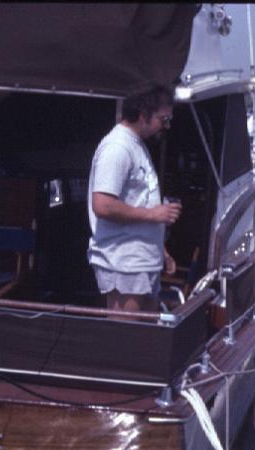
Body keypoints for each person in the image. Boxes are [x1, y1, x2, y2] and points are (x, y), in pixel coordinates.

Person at [87, 85, 182, 315]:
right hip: (124, 263)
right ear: (142, 115)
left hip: (142, 261)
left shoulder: (136, 145)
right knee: (126, 339)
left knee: (144, 337)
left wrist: (161, 250)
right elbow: (102, 204)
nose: (167, 125)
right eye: (163, 118)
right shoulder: (117, 148)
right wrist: (154, 214)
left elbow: (139, 200)